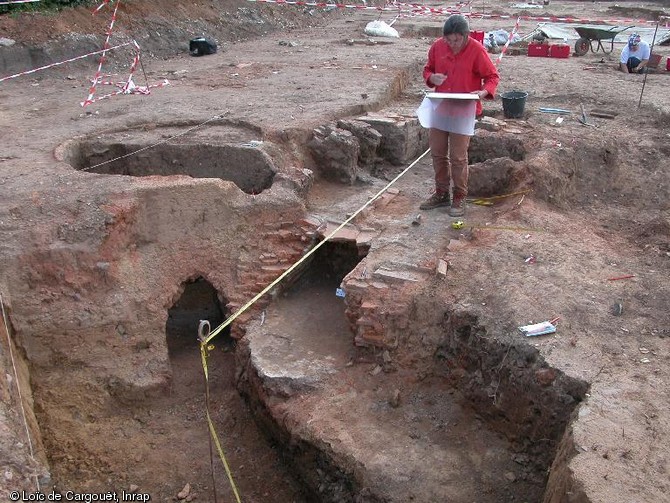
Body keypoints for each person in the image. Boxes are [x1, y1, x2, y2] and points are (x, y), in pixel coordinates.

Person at [419, 14, 500, 217]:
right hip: (441, 107)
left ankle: (460, 195)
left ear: (465, 36)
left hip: (463, 110)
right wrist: (431, 77)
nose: (452, 44)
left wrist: (482, 93)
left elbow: (492, 76)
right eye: (448, 40)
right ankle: (441, 193)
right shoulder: (438, 47)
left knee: (458, 156)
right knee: (438, 152)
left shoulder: (476, 50)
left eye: (456, 40)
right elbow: (428, 69)